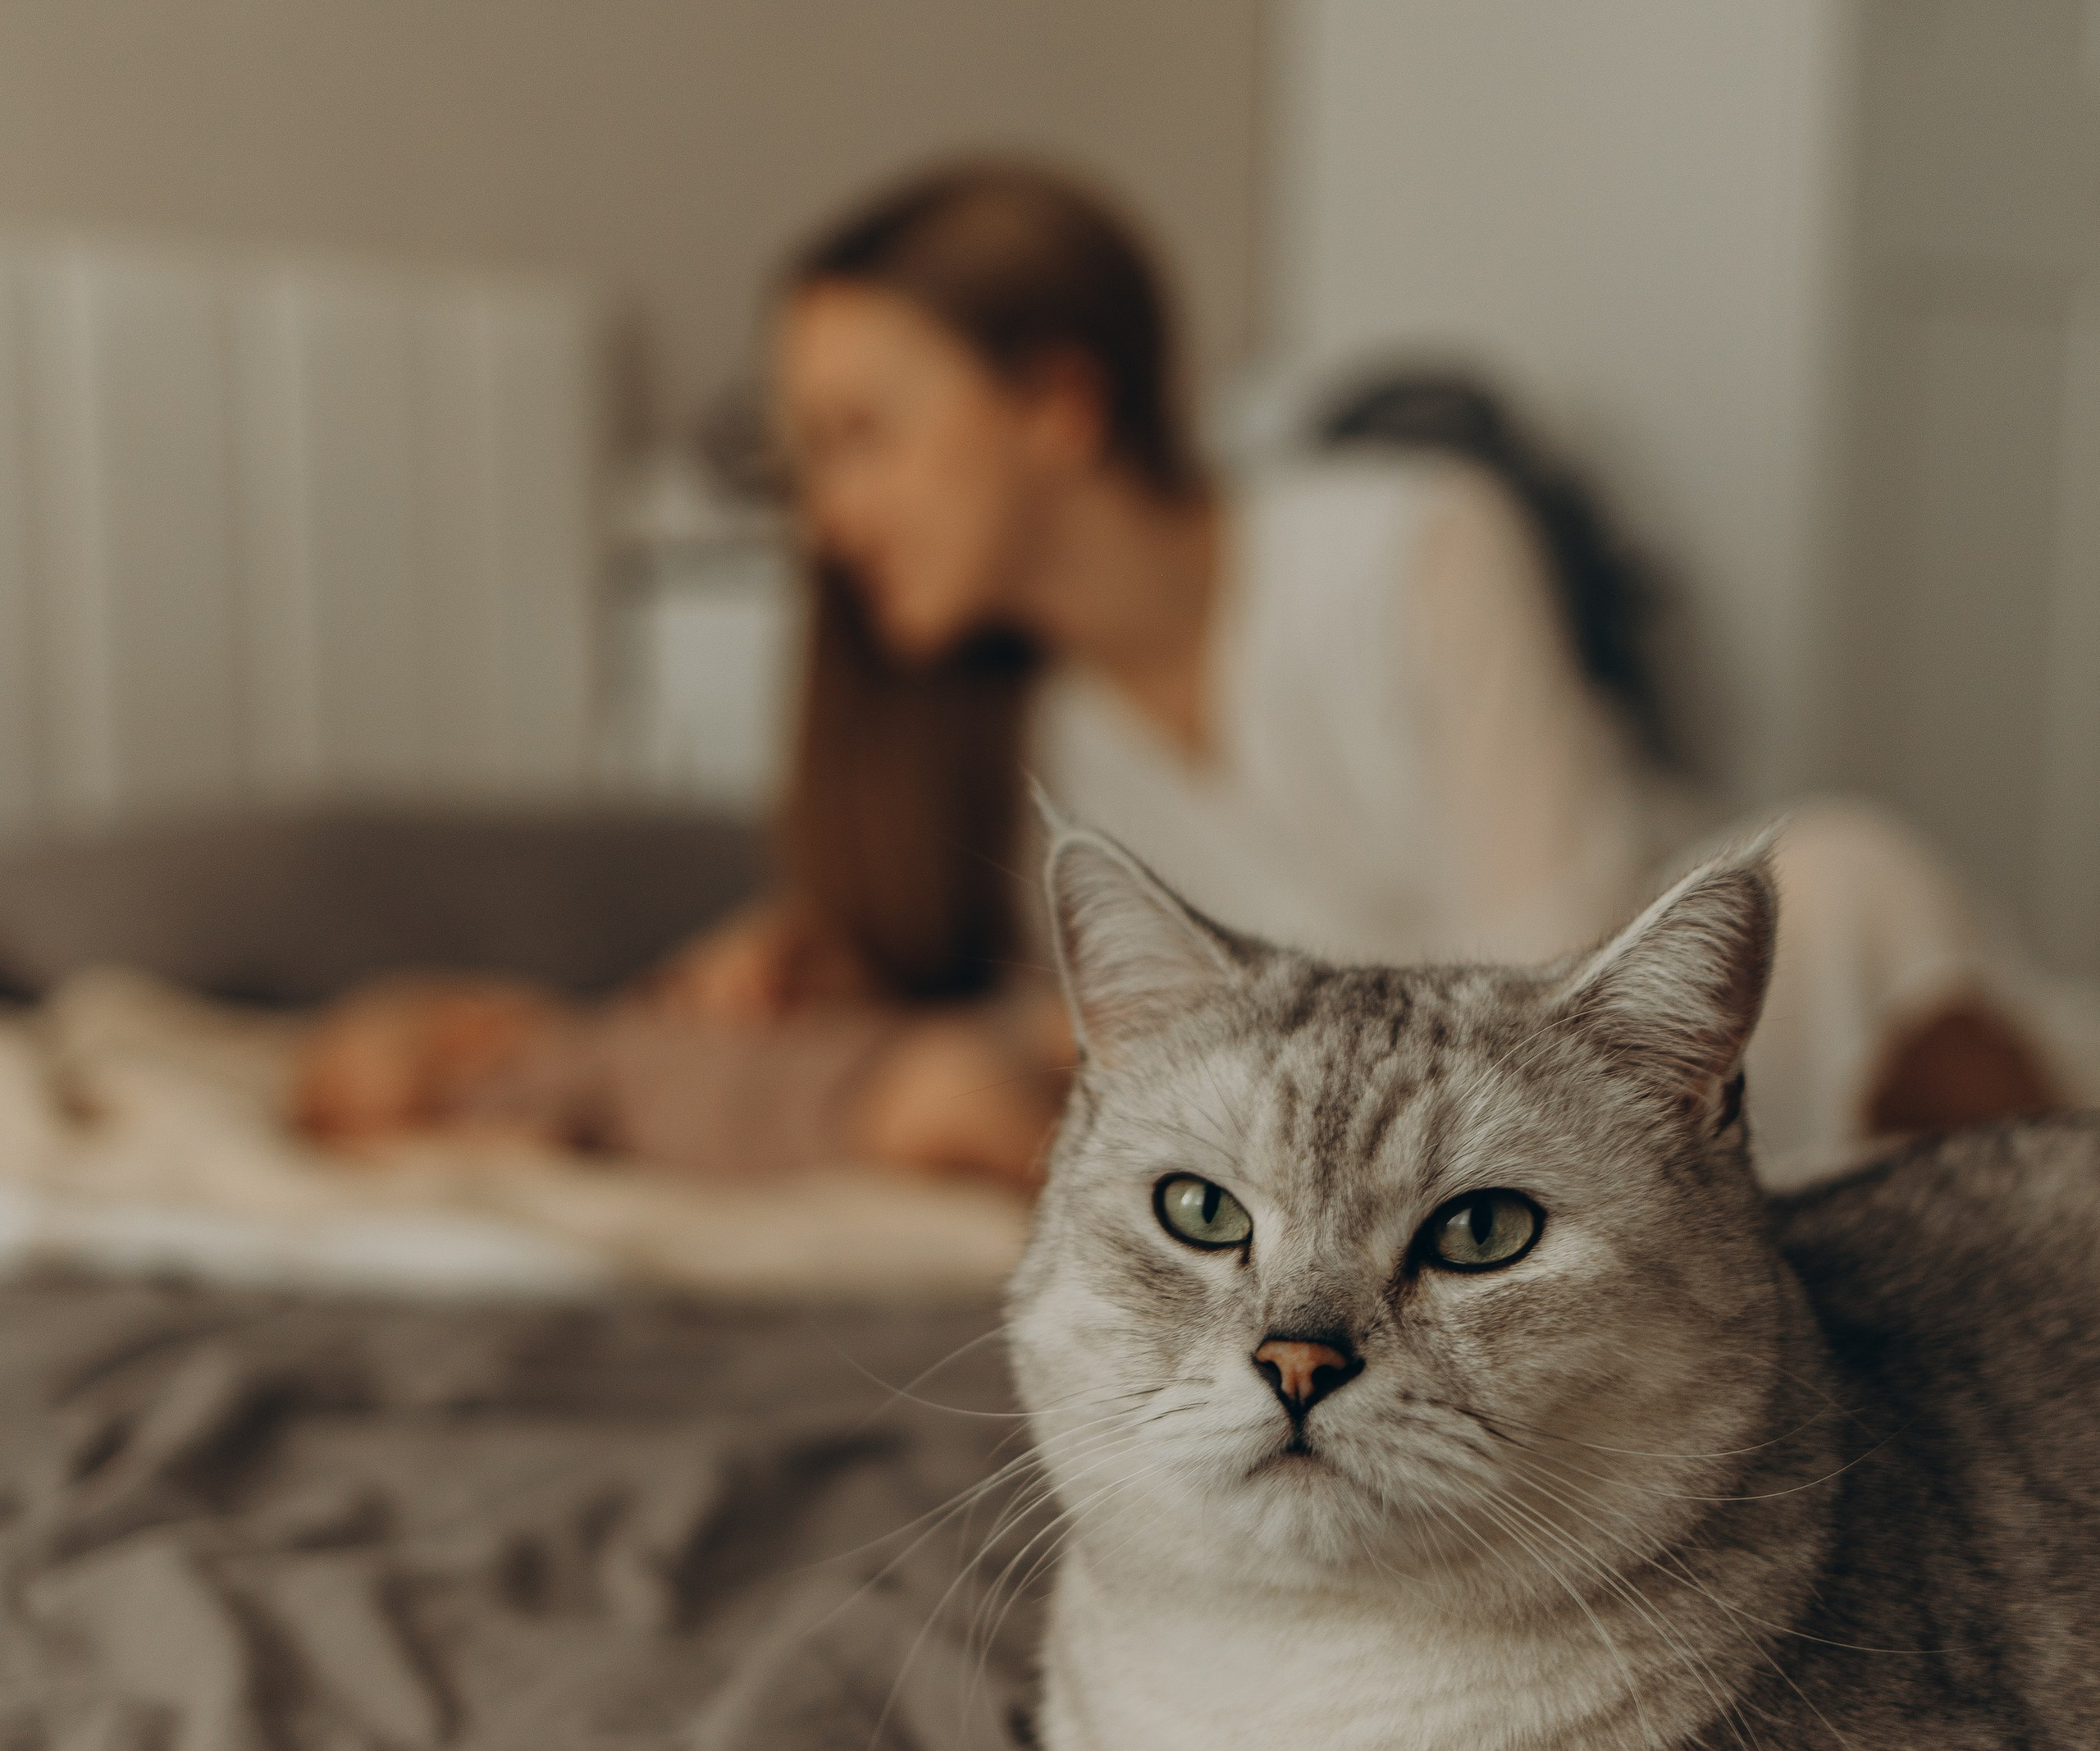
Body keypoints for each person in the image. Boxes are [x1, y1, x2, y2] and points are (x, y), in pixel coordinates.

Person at [300, 158, 2079, 1187]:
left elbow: (1551, 952)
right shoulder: (1022, 743)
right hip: (1433, 1170)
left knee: (1831, 878)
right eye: (807, 457)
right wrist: (822, 972)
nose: (826, 516)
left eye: (864, 437)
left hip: (1668, 1042)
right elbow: (1110, 1040)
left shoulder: (1412, 538)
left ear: (1055, 403)